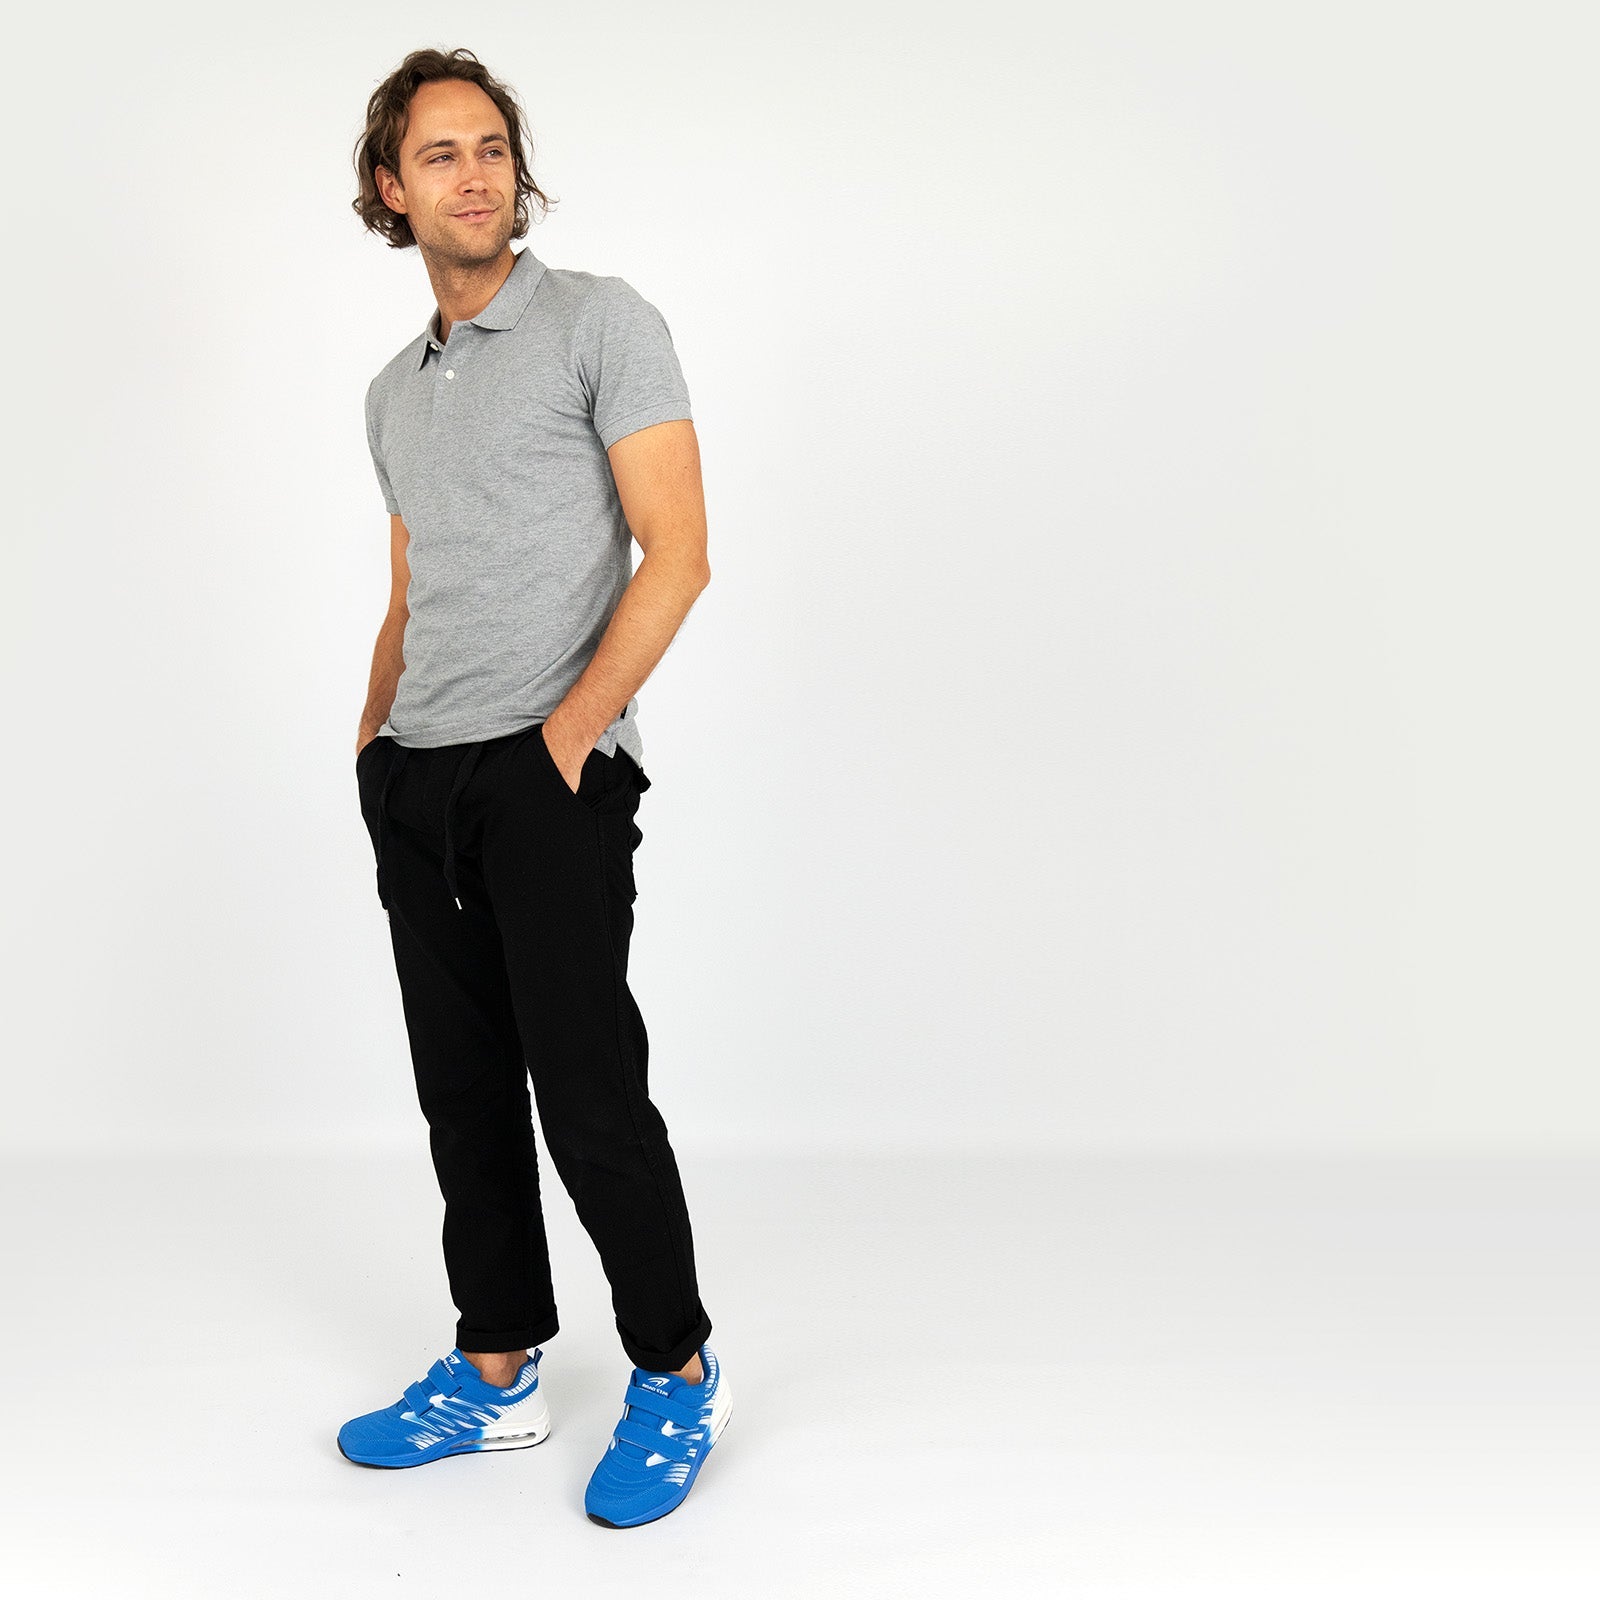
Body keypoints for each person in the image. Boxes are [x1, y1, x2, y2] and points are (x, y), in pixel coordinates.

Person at [334, 47, 731, 1529]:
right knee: (463, 1101)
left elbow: (679, 553)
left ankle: (677, 1371)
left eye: (492, 147)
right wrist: (373, 745)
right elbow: (411, 588)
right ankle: (494, 1369)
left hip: (547, 774)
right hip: (419, 783)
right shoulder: (393, 394)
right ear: (391, 189)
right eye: (440, 154)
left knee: (588, 1095)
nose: (475, 174)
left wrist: (569, 739)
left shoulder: (600, 323)